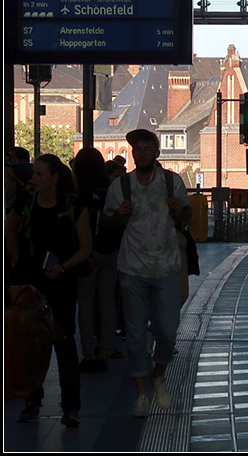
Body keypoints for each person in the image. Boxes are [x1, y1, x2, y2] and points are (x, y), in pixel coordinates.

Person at [101, 129, 192, 418]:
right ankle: (142, 393)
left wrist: (179, 211)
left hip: (166, 265)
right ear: (132, 154)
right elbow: (107, 223)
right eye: (136, 150)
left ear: (156, 153)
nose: (141, 154)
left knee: (167, 330)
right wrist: (119, 216)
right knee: (136, 334)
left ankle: (159, 371)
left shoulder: (171, 182)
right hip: (132, 267)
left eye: (146, 149)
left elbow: (187, 218)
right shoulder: (121, 187)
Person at [5, 153, 92, 428]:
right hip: (32, 281)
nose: (34, 178)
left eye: (40, 174)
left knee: (63, 342)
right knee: (30, 342)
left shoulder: (73, 206)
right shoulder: (26, 201)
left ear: (55, 177)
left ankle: (71, 406)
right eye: (34, 173)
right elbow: (10, 227)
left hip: (61, 281)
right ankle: (33, 401)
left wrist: (63, 267)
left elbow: (85, 247)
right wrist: (17, 258)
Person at [73, 147, 123, 372]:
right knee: (107, 301)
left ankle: (88, 353)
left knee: (85, 303)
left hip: (88, 252)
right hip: (111, 250)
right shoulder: (111, 189)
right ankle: (107, 348)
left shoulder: (79, 193)